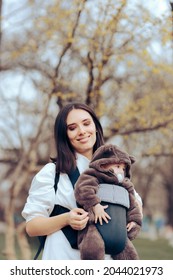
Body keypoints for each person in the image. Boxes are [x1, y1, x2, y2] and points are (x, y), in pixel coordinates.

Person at [22, 102, 142, 260]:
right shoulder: (52, 173)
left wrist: (132, 220)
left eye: (86, 124)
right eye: (72, 128)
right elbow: (31, 227)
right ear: (64, 134)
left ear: (96, 127)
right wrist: (66, 219)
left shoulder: (116, 168)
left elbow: (136, 206)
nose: (82, 131)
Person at [74, 144, 142, 260]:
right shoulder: (93, 176)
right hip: (95, 226)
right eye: (117, 166)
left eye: (123, 168)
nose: (121, 171)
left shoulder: (126, 186)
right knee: (92, 248)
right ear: (103, 164)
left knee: (130, 255)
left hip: (119, 229)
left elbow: (133, 205)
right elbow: (83, 189)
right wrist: (95, 205)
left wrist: (134, 221)